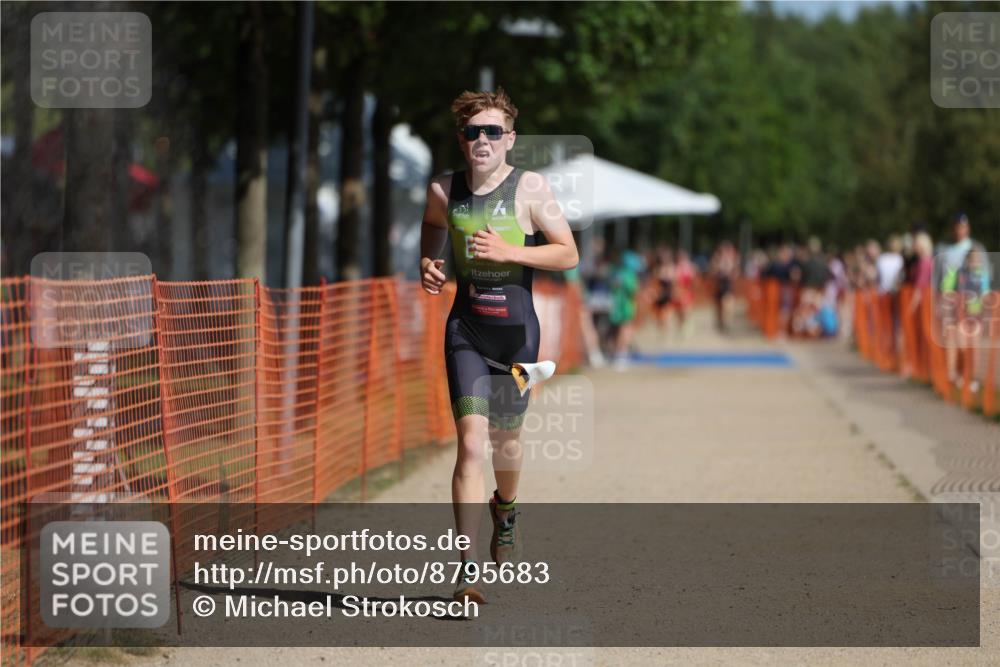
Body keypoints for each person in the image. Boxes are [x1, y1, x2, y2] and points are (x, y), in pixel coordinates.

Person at [419, 88, 578, 604]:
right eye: (472, 131)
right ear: (461, 140)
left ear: (510, 139)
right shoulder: (443, 190)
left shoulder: (531, 188)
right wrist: (429, 261)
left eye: (492, 131)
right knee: (469, 445)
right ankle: (466, 571)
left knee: (506, 445)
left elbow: (568, 253)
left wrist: (512, 250)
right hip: (466, 331)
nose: (482, 140)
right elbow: (432, 227)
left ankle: (505, 509)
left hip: (517, 341)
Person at [938, 214, 990, 391]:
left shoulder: (977, 249)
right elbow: (946, 281)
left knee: (973, 346)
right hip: (957, 308)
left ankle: (972, 377)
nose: (960, 230)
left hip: (973, 310)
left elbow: (984, 281)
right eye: (957, 226)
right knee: (958, 344)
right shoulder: (948, 251)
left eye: (963, 226)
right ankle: (958, 374)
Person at [609, 250, 642, 369]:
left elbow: (613, 287)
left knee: (618, 331)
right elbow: (633, 290)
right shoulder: (629, 275)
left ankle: (619, 353)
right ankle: (621, 354)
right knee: (625, 330)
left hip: (617, 306)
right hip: (626, 307)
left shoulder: (617, 272)